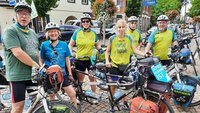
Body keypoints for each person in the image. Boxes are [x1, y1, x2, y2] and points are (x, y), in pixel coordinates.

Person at [2, 2, 39, 113]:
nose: (24, 16)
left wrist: (41, 67)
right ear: (16, 16)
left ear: (30, 17)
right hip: (17, 76)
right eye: (20, 13)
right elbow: (18, 52)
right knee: (18, 107)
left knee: (37, 103)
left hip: (33, 75)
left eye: (27, 14)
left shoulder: (32, 33)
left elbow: (36, 51)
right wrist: (36, 65)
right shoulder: (11, 31)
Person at [105, 19, 146, 104]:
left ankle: (125, 102)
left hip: (125, 67)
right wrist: (107, 61)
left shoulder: (129, 38)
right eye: (119, 27)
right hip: (115, 66)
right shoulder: (112, 38)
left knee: (125, 87)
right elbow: (107, 51)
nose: (121, 29)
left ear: (125, 28)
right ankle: (111, 102)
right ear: (116, 28)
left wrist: (144, 54)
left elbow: (134, 50)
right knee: (113, 86)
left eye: (123, 27)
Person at [40, 22, 77, 107]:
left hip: (62, 74)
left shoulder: (64, 44)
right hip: (50, 75)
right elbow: (41, 59)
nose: (53, 33)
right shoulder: (44, 45)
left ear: (58, 33)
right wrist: (42, 70)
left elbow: (67, 60)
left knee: (72, 94)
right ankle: (52, 110)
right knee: (52, 96)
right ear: (47, 33)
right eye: (50, 32)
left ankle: (73, 111)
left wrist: (70, 74)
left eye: (55, 31)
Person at [68, 13, 102, 103]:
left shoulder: (93, 33)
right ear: (81, 23)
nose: (85, 23)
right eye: (83, 21)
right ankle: (79, 95)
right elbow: (70, 44)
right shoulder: (77, 32)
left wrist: (100, 49)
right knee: (80, 79)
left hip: (91, 60)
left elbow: (97, 44)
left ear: (90, 23)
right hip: (80, 60)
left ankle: (94, 95)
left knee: (92, 78)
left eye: (87, 21)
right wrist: (70, 53)